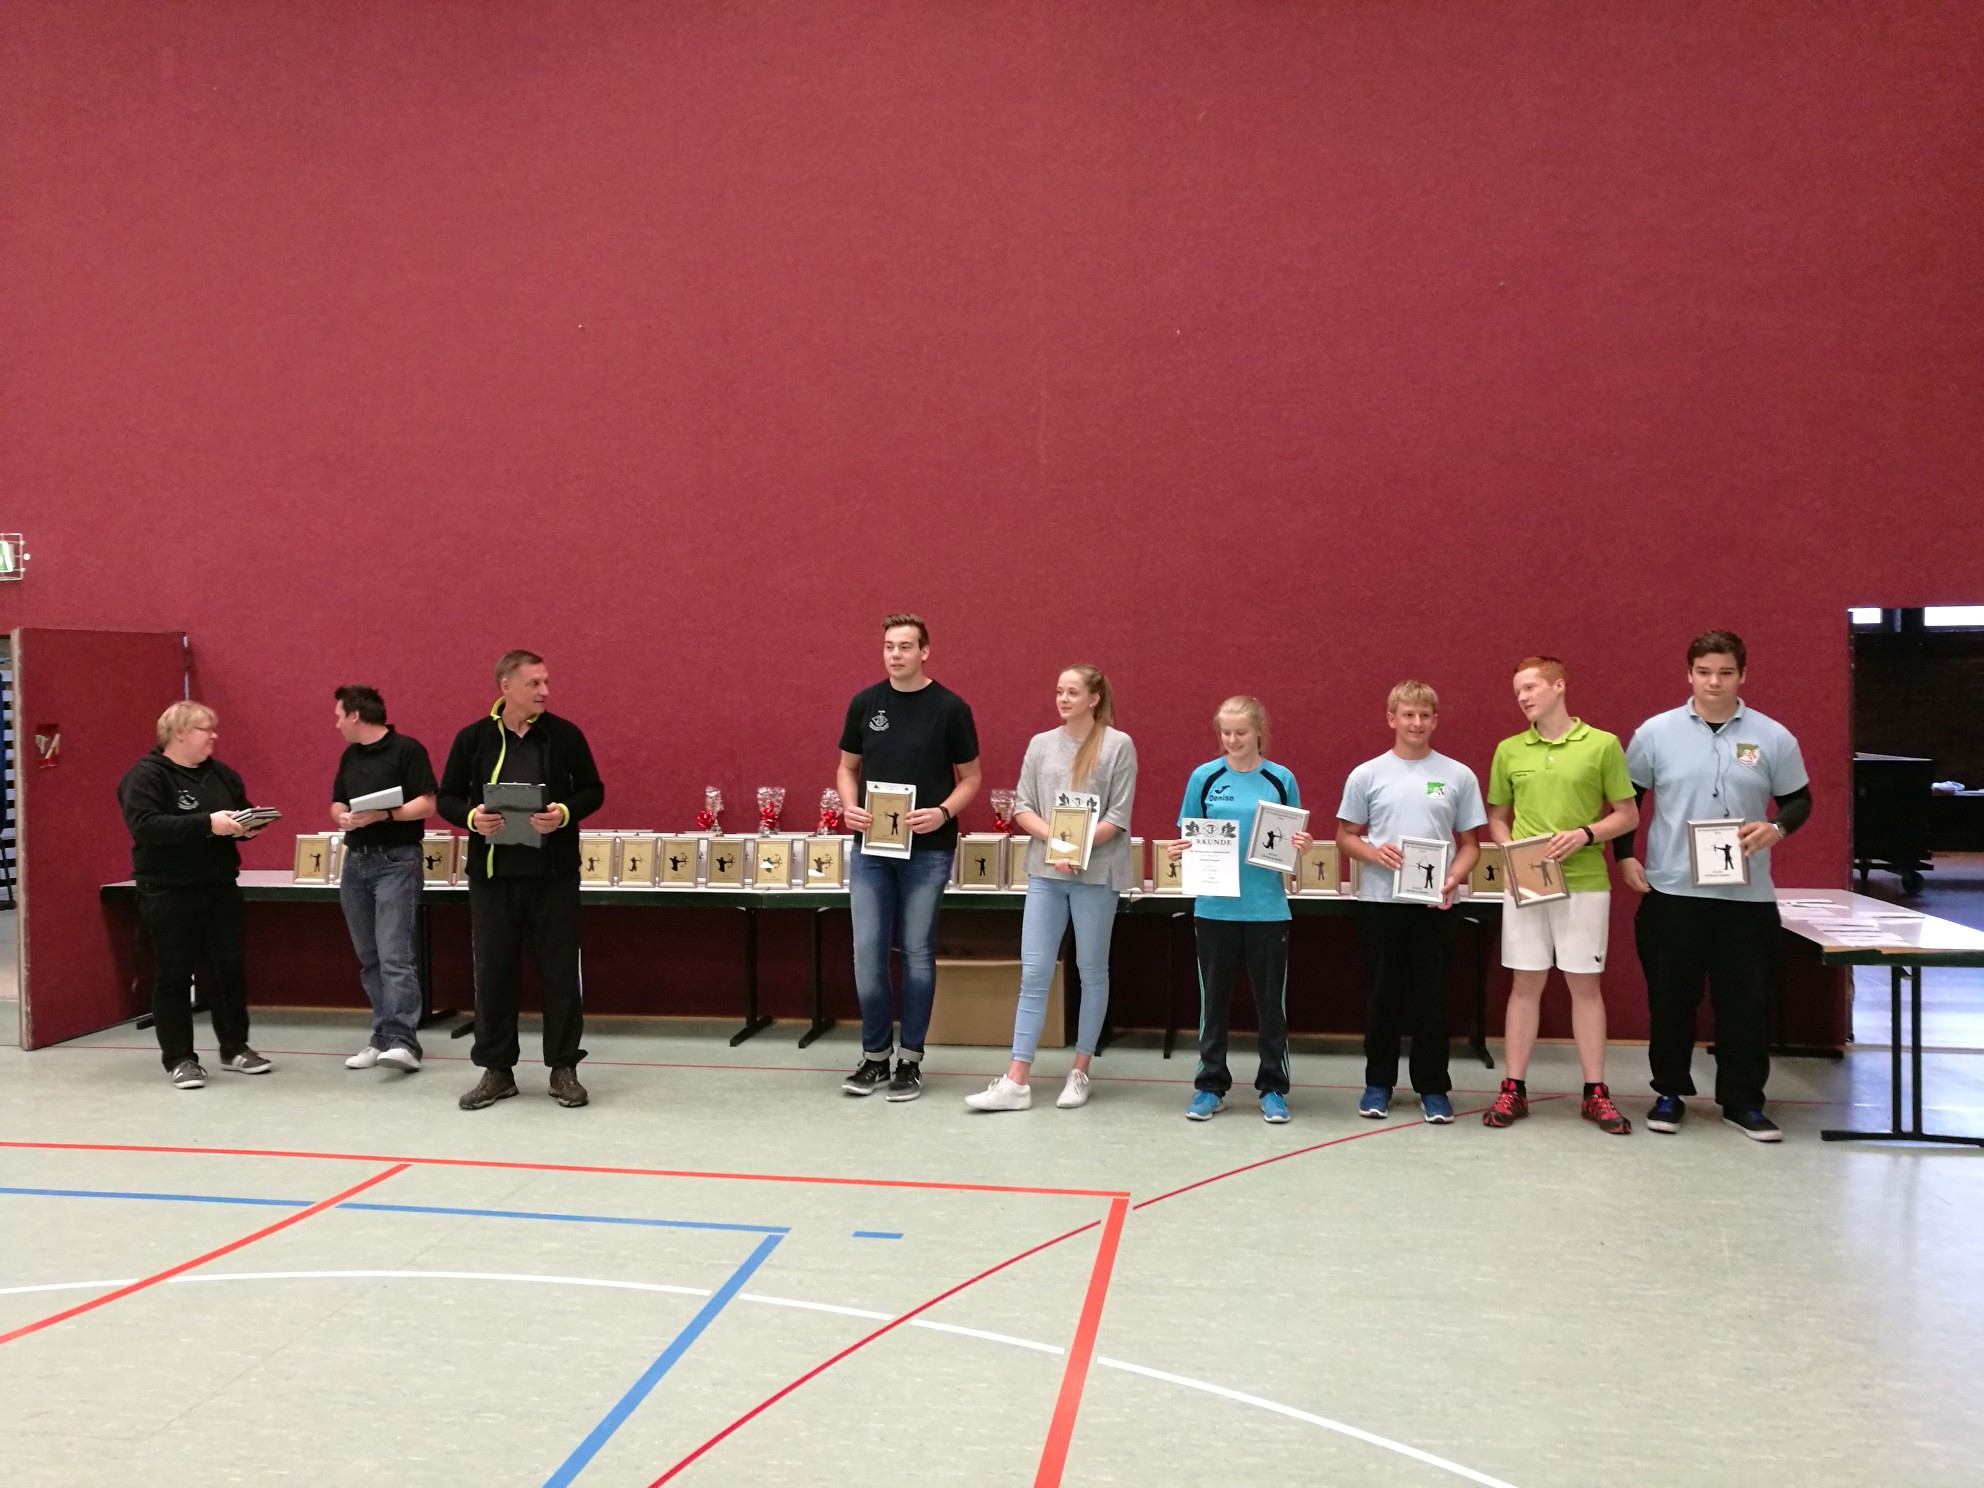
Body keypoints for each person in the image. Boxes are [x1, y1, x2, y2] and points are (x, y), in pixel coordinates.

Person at [1618, 630, 1812, 1141]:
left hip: (1745, 900)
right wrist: (1624, 856)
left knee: (1745, 1003)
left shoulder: (1773, 737)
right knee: (1670, 999)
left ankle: (1743, 1101)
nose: (1714, 682)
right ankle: (1669, 1093)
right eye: (1704, 672)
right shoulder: (1655, 733)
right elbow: (1627, 801)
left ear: (1742, 675)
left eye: (1725, 672)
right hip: (1672, 892)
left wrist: (1777, 828)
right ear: (1689, 674)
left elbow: (1799, 800)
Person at [437, 650, 603, 1111]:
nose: (545, 691)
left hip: (553, 877)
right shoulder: (473, 739)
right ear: (506, 686)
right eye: (534, 683)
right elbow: (447, 797)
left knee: (560, 975)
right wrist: (471, 818)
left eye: (546, 682)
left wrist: (564, 813)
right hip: (493, 879)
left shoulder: (565, 735)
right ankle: (497, 1070)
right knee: (493, 974)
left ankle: (564, 1068)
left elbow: (593, 790)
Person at [966, 665, 1137, 1112]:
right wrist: (1057, 844)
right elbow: (1023, 806)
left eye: (1072, 692)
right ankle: (1017, 1079)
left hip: (1097, 876)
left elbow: (1117, 816)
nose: (1063, 699)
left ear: (1094, 698)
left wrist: (1078, 849)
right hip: (1046, 873)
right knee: (1035, 970)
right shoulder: (1041, 744)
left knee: (1091, 970)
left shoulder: (1118, 745)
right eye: (1059, 691)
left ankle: (1080, 1070)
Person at [1483, 657, 1639, 1134]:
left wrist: (1586, 834)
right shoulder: (1509, 750)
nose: (1523, 697)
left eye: (1531, 687)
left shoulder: (1603, 745)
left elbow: (1627, 814)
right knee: (1525, 985)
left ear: (1559, 686)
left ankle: (1595, 1093)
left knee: (1584, 987)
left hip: (1585, 883)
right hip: (1528, 881)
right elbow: (1497, 818)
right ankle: (1513, 1088)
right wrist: (1511, 852)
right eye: (1517, 691)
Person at [837, 614, 982, 1101]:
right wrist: (850, 806)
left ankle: (911, 1061)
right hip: (872, 851)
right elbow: (846, 768)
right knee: (867, 952)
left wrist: (943, 813)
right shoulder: (865, 703)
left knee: (917, 952)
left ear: (925, 652)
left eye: (905, 646)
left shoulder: (950, 709)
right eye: (888, 646)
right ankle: (875, 1057)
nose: (895, 654)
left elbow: (972, 779)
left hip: (928, 853)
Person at [1334, 680, 1484, 1124]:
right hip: (1379, 902)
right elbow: (1345, 836)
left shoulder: (1458, 775)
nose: (1416, 723)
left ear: (1435, 720)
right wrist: (1372, 852)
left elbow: (1471, 845)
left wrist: (1454, 877)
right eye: (1408, 715)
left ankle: (1433, 1088)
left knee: (1431, 998)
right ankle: (1378, 1084)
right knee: (1382, 996)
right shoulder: (1367, 774)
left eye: (1424, 715)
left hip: (1433, 906)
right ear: (1392, 719)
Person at [116, 701, 273, 1088]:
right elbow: (146, 826)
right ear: (179, 733)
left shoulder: (222, 775)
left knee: (229, 970)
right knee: (173, 974)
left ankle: (235, 1047)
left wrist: (248, 825)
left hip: (219, 887)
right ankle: (180, 1058)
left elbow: (238, 812)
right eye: (206, 729)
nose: (214, 736)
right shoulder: (146, 776)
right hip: (167, 891)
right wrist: (207, 823)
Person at [1172, 696, 1307, 1123]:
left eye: (1241, 732)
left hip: (1267, 910)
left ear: (1259, 731)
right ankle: (1210, 1085)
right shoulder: (1204, 778)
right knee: (1213, 1003)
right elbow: (1190, 835)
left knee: (1271, 1005)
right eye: (1226, 732)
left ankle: (1273, 1087)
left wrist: (1299, 847)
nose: (1232, 740)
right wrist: (1182, 849)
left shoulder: (1281, 779)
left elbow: (1290, 845)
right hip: (1214, 910)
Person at [328, 685, 439, 1074]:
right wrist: (342, 816)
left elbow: (427, 803)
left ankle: (404, 1041)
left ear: (355, 715)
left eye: (339, 715)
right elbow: (337, 801)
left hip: (396, 860)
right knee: (369, 956)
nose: (336, 723)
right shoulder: (350, 756)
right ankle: (382, 1037)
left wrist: (385, 815)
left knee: (395, 955)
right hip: (355, 861)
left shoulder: (407, 750)